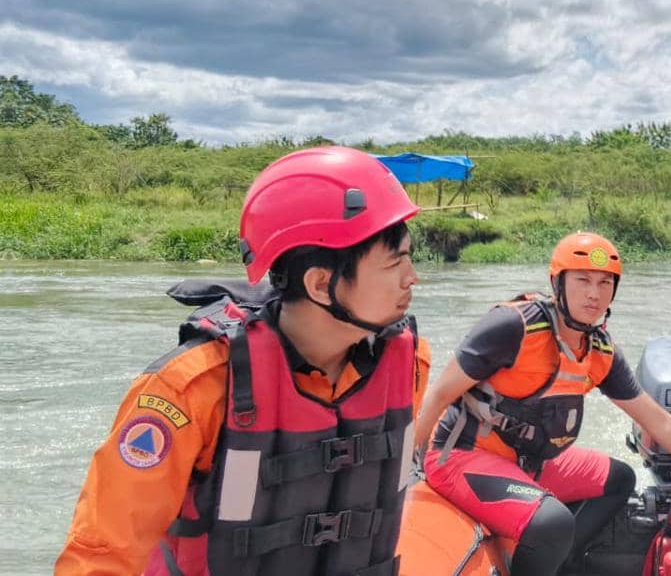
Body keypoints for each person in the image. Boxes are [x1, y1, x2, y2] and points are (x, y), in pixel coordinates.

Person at [56, 145, 429, 576]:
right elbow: (102, 554)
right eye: (395, 260)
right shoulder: (192, 389)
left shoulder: (410, 362)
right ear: (322, 284)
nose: (412, 276)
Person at [413, 231, 671, 575]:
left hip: (530, 463)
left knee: (619, 479)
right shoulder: (512, 327)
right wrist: (412, 464)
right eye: (583, 281)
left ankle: (558, 563)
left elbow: (661, 424)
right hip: (462, 455)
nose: (594, 294)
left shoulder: (600, 352)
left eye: (605, 283)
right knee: (551, 522)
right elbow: (440, 393)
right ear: (558, 283)